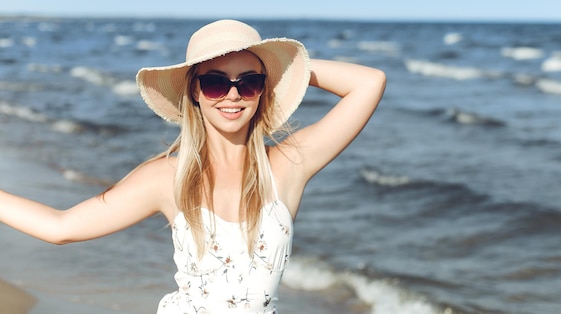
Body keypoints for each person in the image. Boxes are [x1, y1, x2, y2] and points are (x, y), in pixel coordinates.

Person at [0, 19, 386, 313]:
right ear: (195, 93)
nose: (233, 95)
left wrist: (279, 65)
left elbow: (370, 82)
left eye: (248, 82)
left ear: (262, 90)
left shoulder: (287, 166)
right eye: (216, 82)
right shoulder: (168, 177)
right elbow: (60, 227)